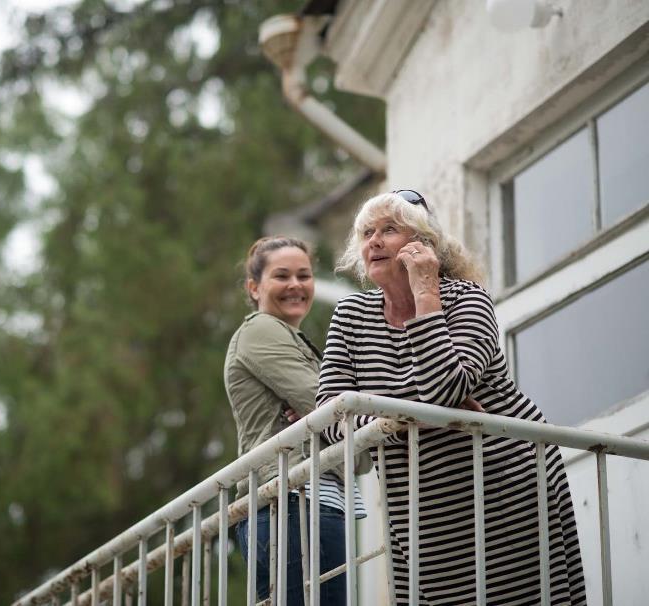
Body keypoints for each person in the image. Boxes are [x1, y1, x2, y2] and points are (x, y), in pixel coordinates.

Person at [317, 191, 586, 605]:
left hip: (502, 486)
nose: (374, 241)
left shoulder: (467, 299)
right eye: (366, 232)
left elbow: (444, 388)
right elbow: (330, 416)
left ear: (423, 245)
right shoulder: (351, 317)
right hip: (419, 509)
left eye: (389, 229)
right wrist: (408, 419)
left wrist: (426, 295)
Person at [225, 236, 368, 606]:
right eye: (282, 275)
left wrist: (329, 423)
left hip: (305, 502)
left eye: (304, 276)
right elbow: (337, 417)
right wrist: (333, 424)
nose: (295, 285)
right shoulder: (261, 330)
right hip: (293, 502)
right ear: (254, 287)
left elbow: (358, 447)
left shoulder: (293, 339)